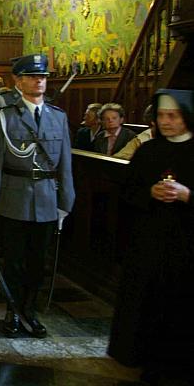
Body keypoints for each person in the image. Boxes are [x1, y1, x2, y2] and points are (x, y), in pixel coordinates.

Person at [0, 53, 75, 338]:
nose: (38, 81)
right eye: (32, 76)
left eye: (42, 77)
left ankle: (30, 310)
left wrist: (65, 203)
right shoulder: (4, 117)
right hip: (12, 199)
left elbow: (65, 164)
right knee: (14, 261)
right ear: (18, 81)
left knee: (37, 263)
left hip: (46, 199)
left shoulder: (58, 117)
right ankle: (13, 312)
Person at [108, 89, 194, 385]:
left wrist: (186, 195)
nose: (166, 121)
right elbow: (127, 191)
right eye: (161, 116)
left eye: (173, 116)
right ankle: (144, 358)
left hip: (185, 246)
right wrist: (149, 192)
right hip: (149, 242)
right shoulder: (148, 151)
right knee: (148, 304)